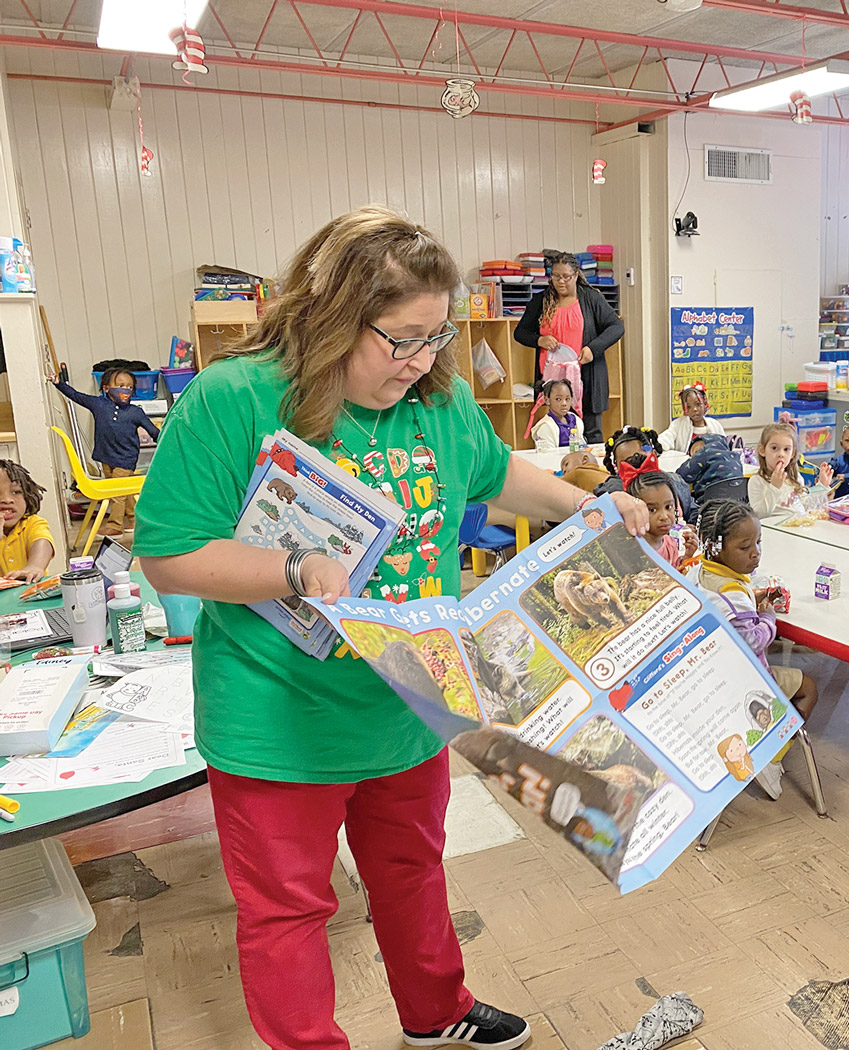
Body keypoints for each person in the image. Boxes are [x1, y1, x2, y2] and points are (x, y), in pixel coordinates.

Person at [133, 206, 649, 1050]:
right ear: (333, 314)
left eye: (435, 339)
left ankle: (436, 1013)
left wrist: (595, 511)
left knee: (411, 873)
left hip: (409, 699)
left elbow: (496, 477)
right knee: (290, 910)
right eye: (401, 340)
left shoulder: (436, 399)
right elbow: (169, 554)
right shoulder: (235, 397)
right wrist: (290, 570)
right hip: (278, 716)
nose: (420, 363)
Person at [694, 499, 818, 798]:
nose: (756, 552)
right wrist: (768, 618)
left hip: (712, 675)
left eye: (759, 542)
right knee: (810, 687)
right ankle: (772, 751)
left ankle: (766, 744)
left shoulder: (701, 573)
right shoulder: (733, 593)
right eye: (744, 546)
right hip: (748, 679)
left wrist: (751, 599)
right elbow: (753, 642)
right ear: (716, 548)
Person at [514, 253, 623, 443]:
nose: (560, 281)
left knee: (591, 435)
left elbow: (616, 327)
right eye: (556, 276)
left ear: (576, 275)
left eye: (566, 276)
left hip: (586, 379)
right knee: (555, 433)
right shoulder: (541, 301)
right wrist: (539, 340)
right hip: (552, 381)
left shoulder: (590, 298)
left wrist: (592, 349)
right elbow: (520, 332)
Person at [48, 367, 160, 536]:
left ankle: (115, 526)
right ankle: (135, 519)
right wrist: (58, 383)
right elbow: (77, 396)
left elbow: (153, 431)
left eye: (130, 387)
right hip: (105, 456)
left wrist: (166, 441)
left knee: (117, 494)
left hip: (126, 458)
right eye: (121, 385)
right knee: (123, 492)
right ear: (106, 388)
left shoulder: (135, 412)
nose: (125, 390)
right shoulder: (99, 404)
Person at [597, 426, 696, 524]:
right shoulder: (611, 491)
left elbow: (693, 511)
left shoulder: (675, 481)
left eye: (640, 457)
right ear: (616, 465)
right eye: (627, 462)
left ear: (654, 454)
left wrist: (692, 527)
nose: (636, 464)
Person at [621, 454, 698, 570]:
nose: (664, 516)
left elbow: (674, 577)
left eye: (668, 507)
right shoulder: (633, 549)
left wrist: (687, 557)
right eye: (652, 510)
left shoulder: (670, 544)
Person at [749, 422, 832, 519]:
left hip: (797, 526)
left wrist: (822, 486)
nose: (781, 454)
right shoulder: (757, 481)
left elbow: (806, 505)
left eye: (786, 449)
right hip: (774, 530)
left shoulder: (795, 478)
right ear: (762, 450)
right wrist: (774, 488)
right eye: (774, 448)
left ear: (792, 453)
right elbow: (759, 515)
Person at [0, 460, 54, 583]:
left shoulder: (32, 523)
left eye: (16, 492)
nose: (7, 500)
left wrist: (34, 567)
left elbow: (42, 542)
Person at [678, 433, 747, 506]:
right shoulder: (735, 456)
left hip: (709, 503)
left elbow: (683, 474)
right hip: (736, 503)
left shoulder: (705, 451)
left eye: (695, 452)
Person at [659, 383, 725, 452]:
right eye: (689, 407)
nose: (694, 409)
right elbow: (666, 438)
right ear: (685, 410)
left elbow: (724, 446)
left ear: (705, 404)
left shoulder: (715, 425)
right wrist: (656, 446)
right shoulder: (678, 425)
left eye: (698, 404)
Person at [529, 378, 581, 451]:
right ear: (547, 400)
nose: (564, 403)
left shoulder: (575, 420)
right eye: (558, 399)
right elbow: (550, 456)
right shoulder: (545, 426)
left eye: (567, 399)